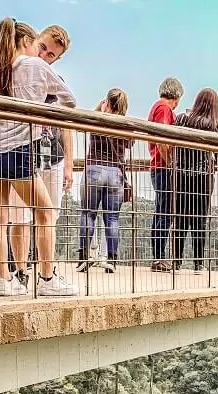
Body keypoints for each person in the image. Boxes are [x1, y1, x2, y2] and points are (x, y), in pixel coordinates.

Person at [0, 18, 77, 298]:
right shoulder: (35, 67)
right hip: (17, 151)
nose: (42, 55)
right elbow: (71, 101)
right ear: (28, 42)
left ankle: (6, 281)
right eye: (39, 47)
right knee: (45, 214)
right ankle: (47, 277)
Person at [6, 24, 74, 272]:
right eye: (42, 48)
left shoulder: (57, 81)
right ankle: (21, 270)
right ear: (34, 41)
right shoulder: (15, 74)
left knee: (50, 216)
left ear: (57, 59)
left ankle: (47, 269)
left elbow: (67, 123)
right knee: (20, 217)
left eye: (51, 55)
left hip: (52, 155)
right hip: (22, 152)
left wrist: (69, 163)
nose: (44, 57)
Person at [78, 88, 130, 274]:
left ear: (107, 102)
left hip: (94, 169)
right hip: (115, 173)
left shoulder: (98, 118)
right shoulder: (126, 124)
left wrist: (99, 109)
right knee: (112, 219)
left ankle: (83, 259)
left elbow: (84, 122)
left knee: (88, 214)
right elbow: (129, 143)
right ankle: (112, 261)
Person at [172, 88, 218, 274]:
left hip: (180, 175)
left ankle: (176, 262)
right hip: (202, 177)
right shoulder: (212, 124)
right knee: (199, 220)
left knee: (180, 219)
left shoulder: (181, 118)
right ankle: (198, 264)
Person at [147, 77, 183, 272]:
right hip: (162, 167)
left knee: (160, 211)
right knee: (165, 213)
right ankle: (159, 258)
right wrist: (170, 162)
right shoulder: (164, 108)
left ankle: (158, 257)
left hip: (156, 167)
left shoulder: (156, 106)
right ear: (176, 96)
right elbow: (162, 138)